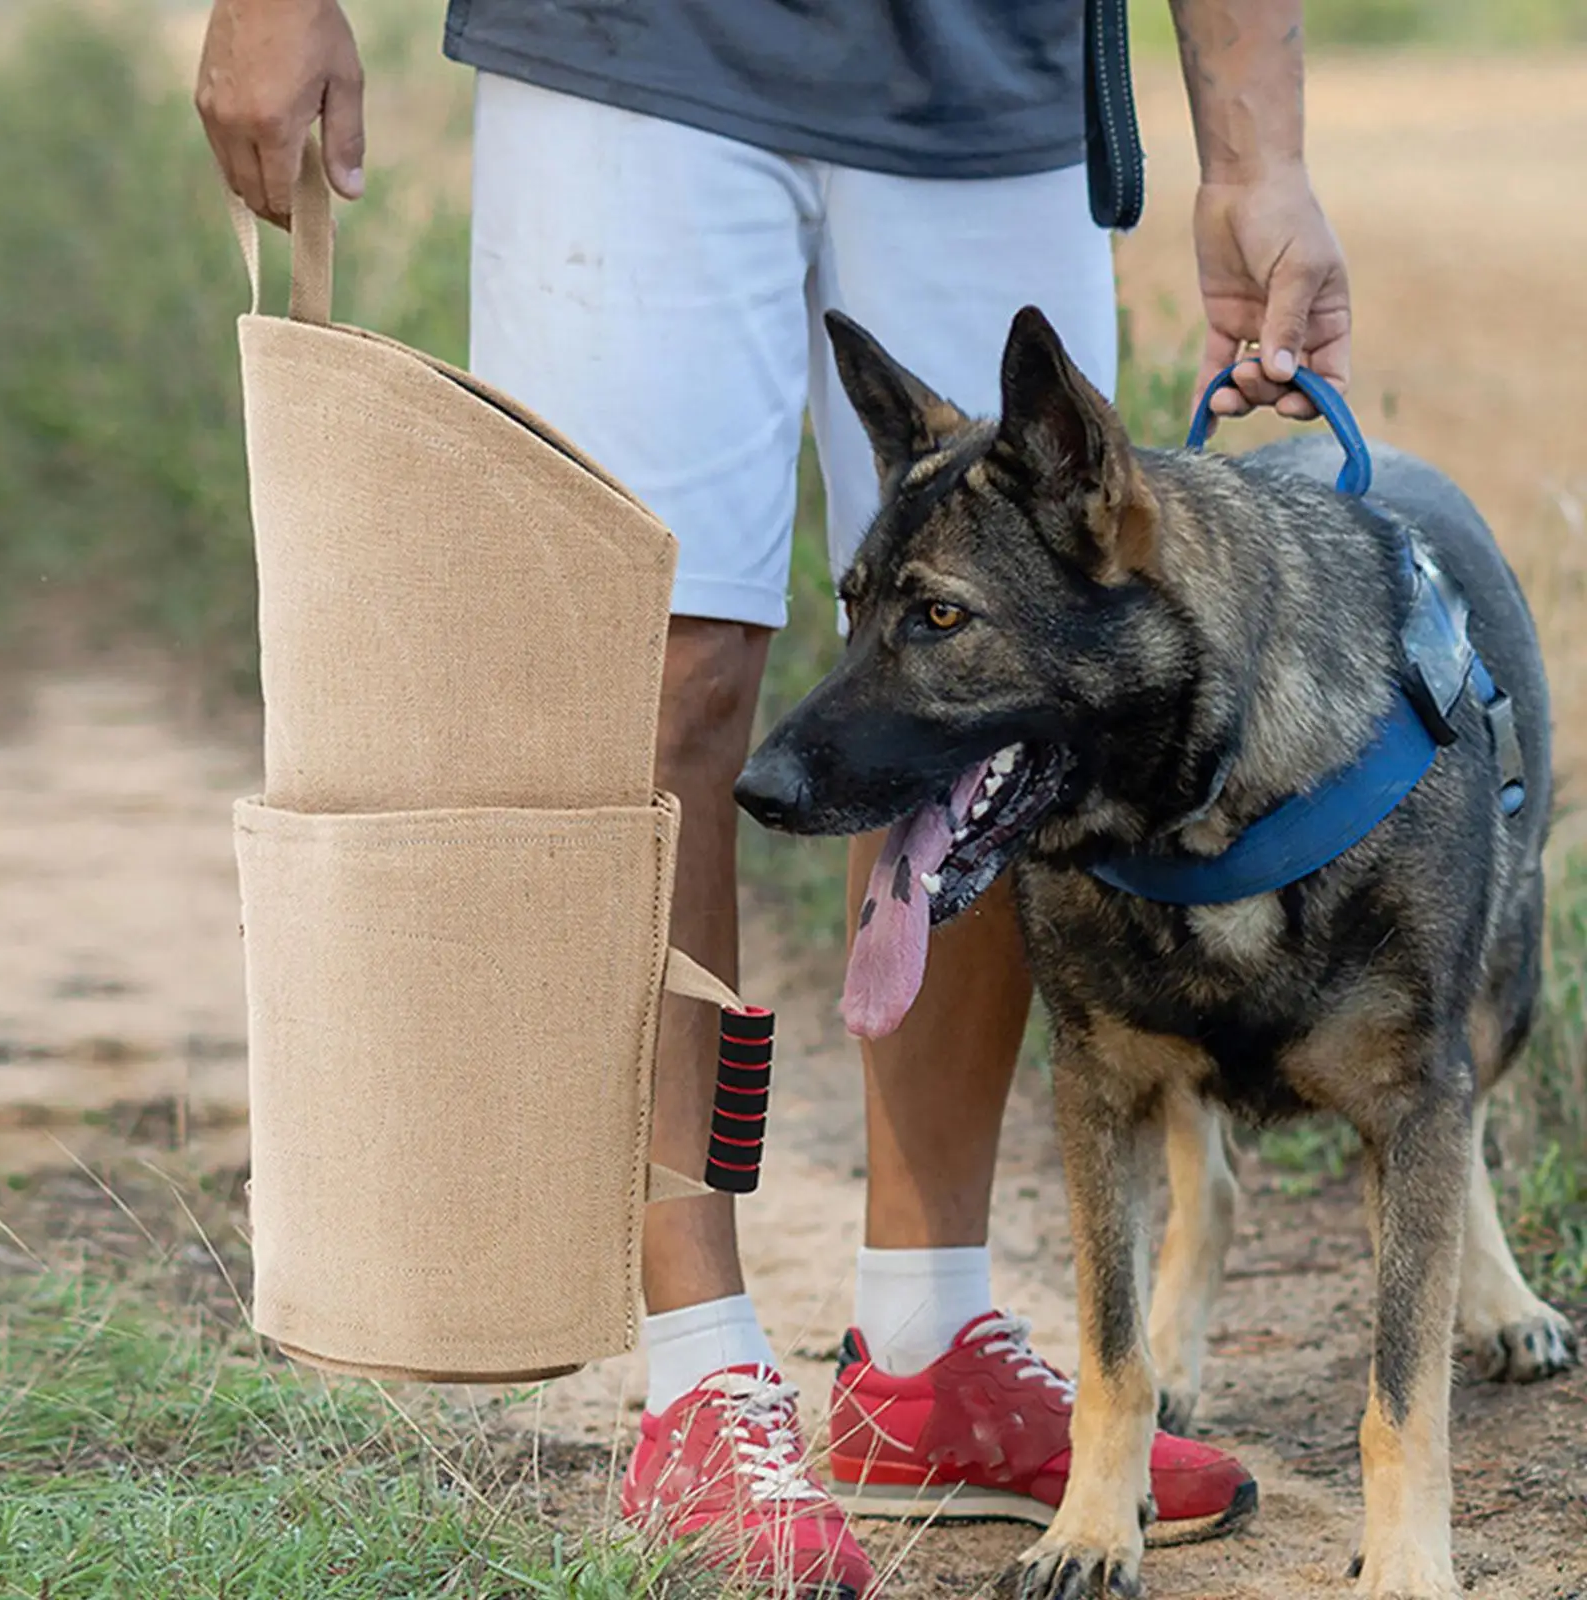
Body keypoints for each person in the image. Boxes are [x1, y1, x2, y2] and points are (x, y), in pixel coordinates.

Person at [197, 2, 1351, 1593]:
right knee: (658, 663)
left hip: (995, 70)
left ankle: (927, 1348)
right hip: (635, 46)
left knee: (1008, 665)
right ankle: (697, 1375)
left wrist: (1257, 155)